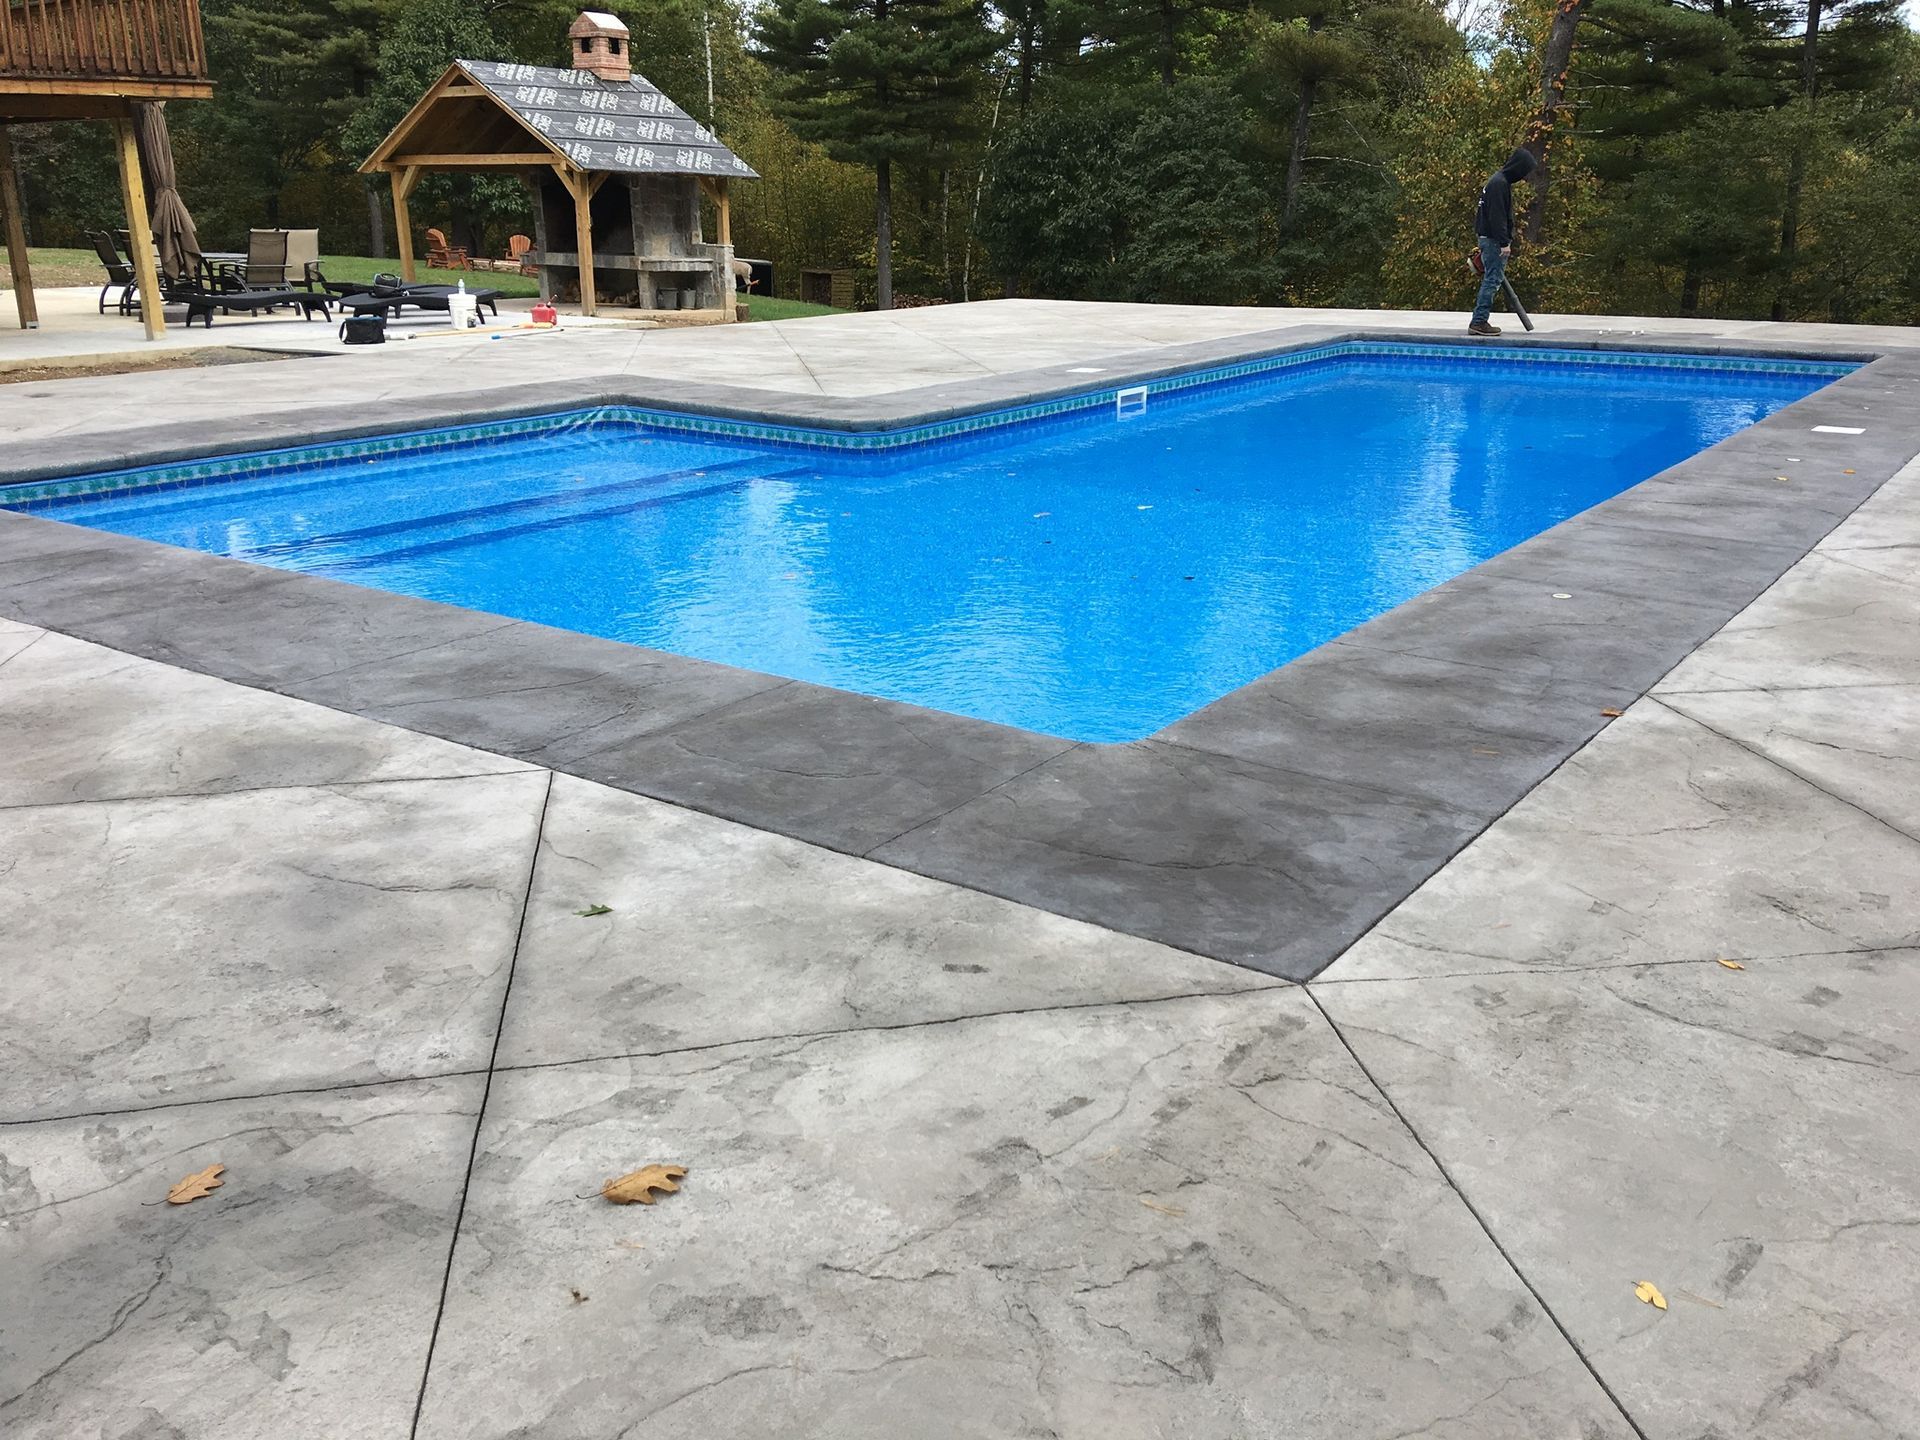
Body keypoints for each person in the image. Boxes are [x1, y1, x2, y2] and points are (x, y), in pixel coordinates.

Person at [1470, 147, 1537, 336]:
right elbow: (1497, 217)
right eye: (1524, 171)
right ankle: (1479, 321)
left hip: (1487, 238)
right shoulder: (1499, 184)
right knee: (1492, 280)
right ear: (1518, 167)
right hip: (1493, 241)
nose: (1524, 176)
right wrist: (1504, 243)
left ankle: (1479, 320)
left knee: (1492, 279)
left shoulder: (1497, 181)